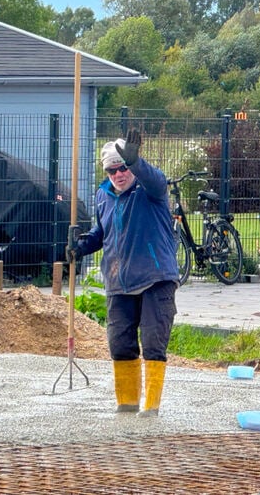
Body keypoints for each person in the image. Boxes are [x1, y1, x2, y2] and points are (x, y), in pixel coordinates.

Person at [68, 128, 179, 416]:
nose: (118, 175)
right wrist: (81, 246)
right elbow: (102, 232)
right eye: (111, 170)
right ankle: (127, 404)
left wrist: (136, 162)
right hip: (119, 282)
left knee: (153, 343)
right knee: (119, 344)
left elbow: (157, 181)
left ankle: (150, 408)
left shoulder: (150, 190)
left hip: (155, 278)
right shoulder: (103, 196)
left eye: (122, 168)